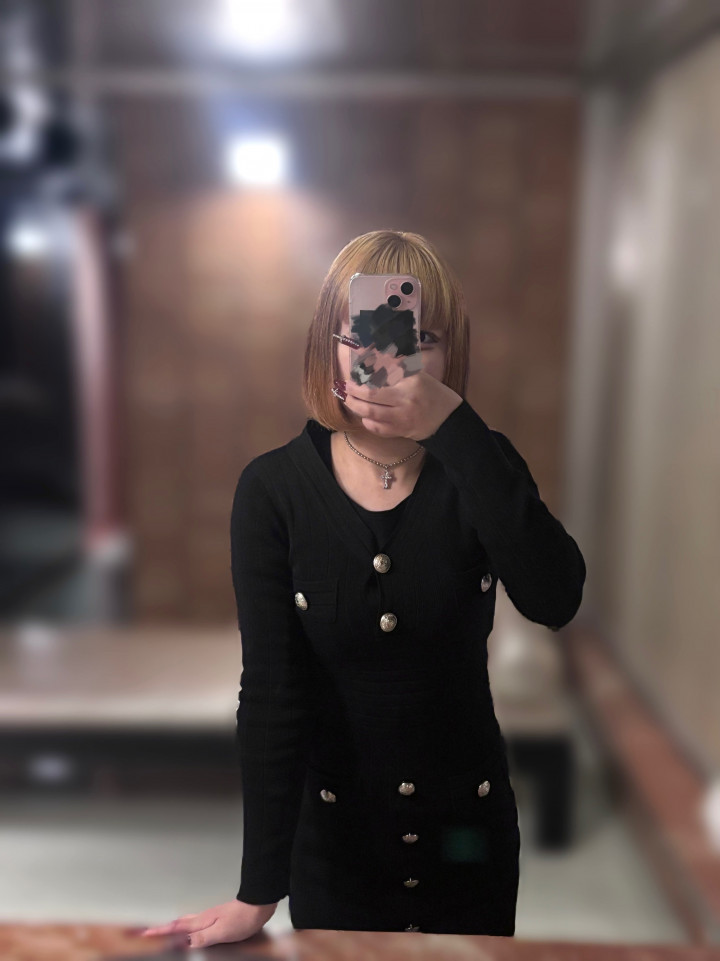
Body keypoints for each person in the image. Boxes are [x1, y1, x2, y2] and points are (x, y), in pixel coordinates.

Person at [140, 229, 586, 948]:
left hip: (467, 834)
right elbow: (272, 690)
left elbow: (555, 598)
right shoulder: (274, 489)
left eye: (420, 337)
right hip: (334, 837)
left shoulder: (482, 463)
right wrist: (258, 890)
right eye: (363, 333)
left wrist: (457, 431)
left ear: (449, 355)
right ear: (329, 347)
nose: (388, 354)